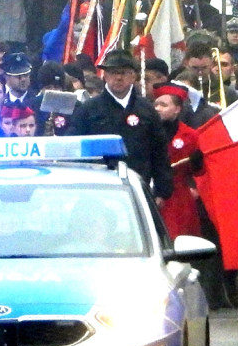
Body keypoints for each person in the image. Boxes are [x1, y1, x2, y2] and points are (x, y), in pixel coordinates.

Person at [68, 50, 173, 202]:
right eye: (113, 72)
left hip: (137, 190)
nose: (118, 77)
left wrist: (162, 192)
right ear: (104, 75)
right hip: (97, 191)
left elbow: (159, 152)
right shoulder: (88, 109)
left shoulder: (146, 110)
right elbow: (75, 149)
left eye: (124, 73)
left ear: (133, 76)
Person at [152, 83, 201, 240]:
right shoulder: (147, 131)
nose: (158, 108)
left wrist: (197, 163)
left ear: (177, 108)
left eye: (164, 105)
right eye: (156, 104)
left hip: (179, 200)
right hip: (151, 193)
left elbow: (199, 173)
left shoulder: (190, 135)